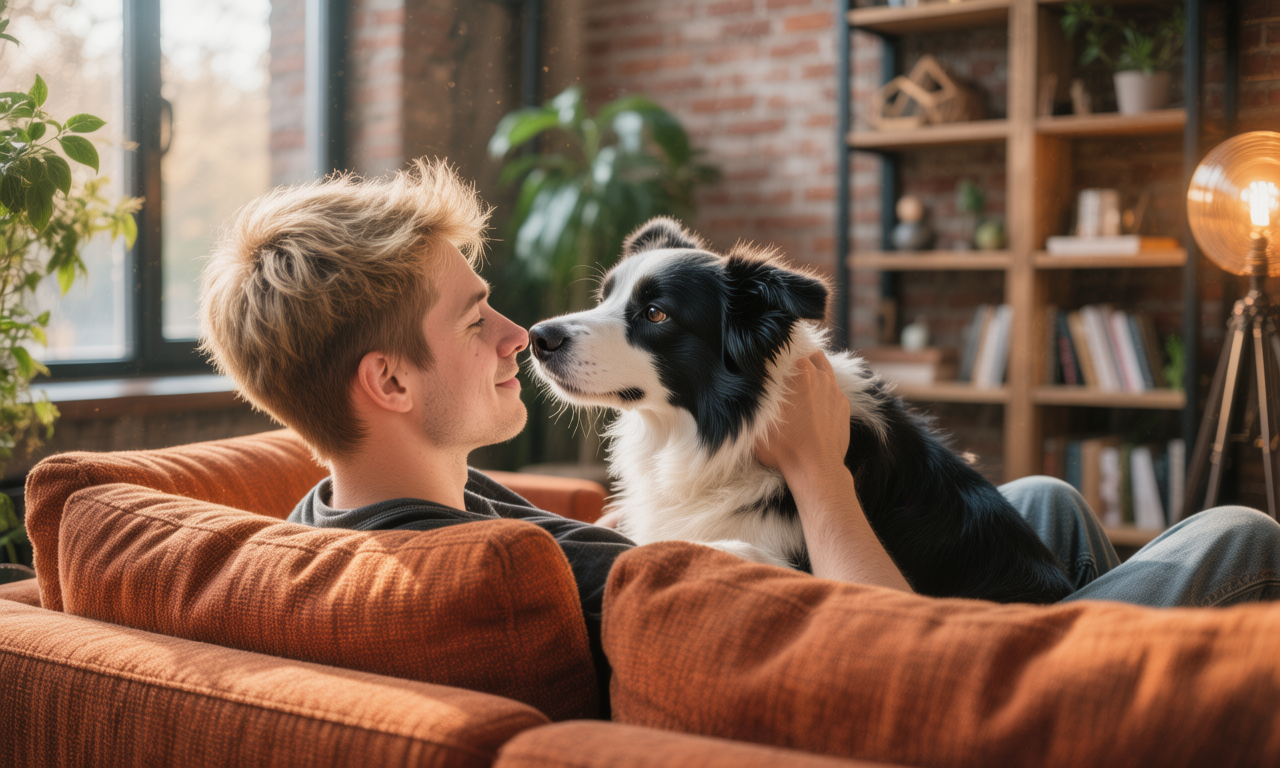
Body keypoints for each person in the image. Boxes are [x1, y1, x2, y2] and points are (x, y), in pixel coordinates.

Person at [199, 160, 1280, 710]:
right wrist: (813, 467)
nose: (517, 331)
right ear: (385, 379)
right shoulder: (532, 572)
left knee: (1038, 503)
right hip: (941, 690)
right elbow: (876, 660)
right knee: (1234, 529)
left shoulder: (324, 525)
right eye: (473, 317)